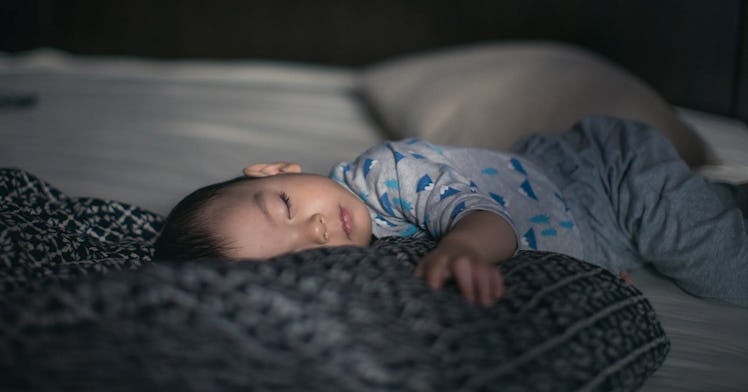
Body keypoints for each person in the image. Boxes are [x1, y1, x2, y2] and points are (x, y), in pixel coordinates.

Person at [154, 116, 748, 307]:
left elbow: (478, 217)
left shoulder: (383, 176)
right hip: (602, 232)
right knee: (715, 214)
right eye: (300, 254)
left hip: (603, 175)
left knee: (722, 266)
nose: (313, 229)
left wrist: (463, 246)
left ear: (273, 170)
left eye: (284, 204)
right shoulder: (368, 263)